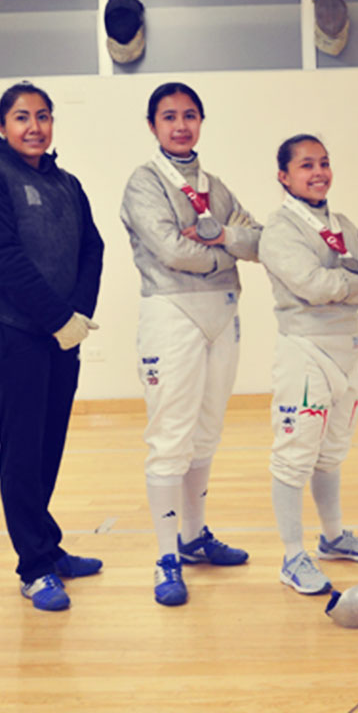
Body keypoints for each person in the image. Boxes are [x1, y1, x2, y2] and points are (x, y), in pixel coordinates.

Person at [0, 82, 105, 611]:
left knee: (48, 446)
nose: (34, 127)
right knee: (21, 452)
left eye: (43, 116)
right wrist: (57, 318)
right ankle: (34, 567)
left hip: (62, 337)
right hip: (12, 334)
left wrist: (77, 315)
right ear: (1, 126)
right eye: (22, 117)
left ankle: (47, 545)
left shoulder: (66, 183)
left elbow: (93, 248)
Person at [120, 82, 259, 607]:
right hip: (172, 314)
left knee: (207, 432)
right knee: (170, 437)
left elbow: (258, 239)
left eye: (190, 115)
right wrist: (226, 251)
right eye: (169, 116)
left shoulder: (215, 187)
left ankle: (194, 537)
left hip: (222, 314)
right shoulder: (144, 182)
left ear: (201, 121)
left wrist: (222, 237)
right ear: (152, 125)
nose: (181, 126)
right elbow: (172, 250)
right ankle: (166, 557)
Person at [259, 134, 358, 595]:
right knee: (295, 456)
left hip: (349, 350)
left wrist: (355, 282)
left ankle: (333, 538)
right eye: (306, 165)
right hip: (306, 352)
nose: (318, 173)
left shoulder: (343, 225)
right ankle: (293, 556)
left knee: (332, 453)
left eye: (324, 163)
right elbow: (314, 286)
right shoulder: (279, 230)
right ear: (284, 176)